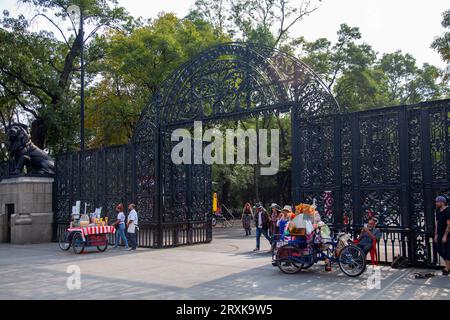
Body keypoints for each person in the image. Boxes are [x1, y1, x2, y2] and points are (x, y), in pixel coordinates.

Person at [434, 196, 450, 276]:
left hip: (447, 234)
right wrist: (436, 234)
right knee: (439, 249)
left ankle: (447, 268)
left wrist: (445, 235)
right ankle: (448, 267)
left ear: (442, 202)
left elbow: (449, 225)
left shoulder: (448, 211)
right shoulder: (438, 210)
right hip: (440, 234)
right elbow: (437, 223)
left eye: (437, 202)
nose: (436, 203)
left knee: (446, 251)